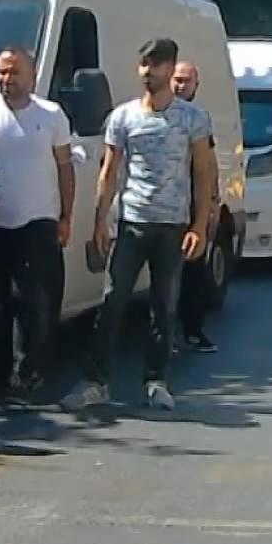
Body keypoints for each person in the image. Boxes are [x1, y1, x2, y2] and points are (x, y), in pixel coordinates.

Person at [64, 38, 215, 414]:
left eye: (157, 65)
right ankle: (95, 382)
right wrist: (100, 220)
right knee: (113, 302)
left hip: (172, 226)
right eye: (144, 65)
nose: (149, 72)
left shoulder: (192, 119)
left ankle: (156, 380)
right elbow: (109, 172)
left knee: (163, 307)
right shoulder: (124, 117)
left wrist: (199, 225)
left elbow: (203, 172)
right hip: (131, 222)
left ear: (170, 68)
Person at [0, 45, 75, 403]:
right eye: (2, 72)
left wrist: (66, 216)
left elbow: (65, 168)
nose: (7, 79)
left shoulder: (51, 115)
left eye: (14, 72)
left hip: (38, 221)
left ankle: (28, 374)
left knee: (33, 301)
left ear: (31, 75)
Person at [170, 60, 220, 354]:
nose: (180, 85)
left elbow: (209, 162)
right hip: (163, 205)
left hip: (192, 204)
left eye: (186, 81)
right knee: (164, 273)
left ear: (195, 86)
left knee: (194, 270)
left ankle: (192, 330)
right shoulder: (159, 113)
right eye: (177, 79)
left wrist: (213, 199)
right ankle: (163, 335)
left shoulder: (199, 119)